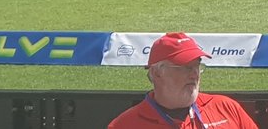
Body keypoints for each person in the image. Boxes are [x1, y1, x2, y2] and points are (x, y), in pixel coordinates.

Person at [108, 32, 258, 129]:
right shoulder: (125, 125)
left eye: (196, 66)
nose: (194, 74)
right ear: (157, 73)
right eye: (185, 67)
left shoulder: (227, 108)